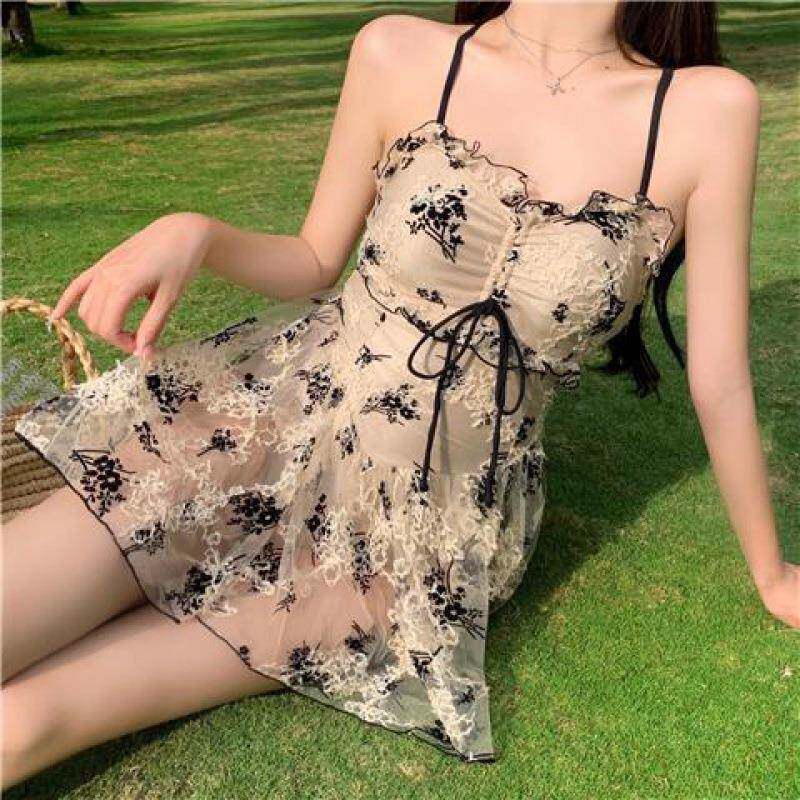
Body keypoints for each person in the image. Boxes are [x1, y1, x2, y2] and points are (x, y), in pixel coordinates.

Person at [3, 0, 796, 786]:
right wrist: (196, 231)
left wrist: (771, 574)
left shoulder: (707, 111)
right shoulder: (398, 52)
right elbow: (314, 259)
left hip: (415, 538)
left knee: (24, 724)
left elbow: (720, 376)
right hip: (267, 421)